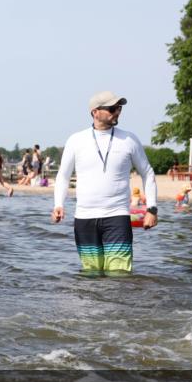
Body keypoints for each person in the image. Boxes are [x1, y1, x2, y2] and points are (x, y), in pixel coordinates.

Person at [52, 91, 158, 274]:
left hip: (117, 216)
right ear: (95, 112)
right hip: (85, 218)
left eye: (119, 108)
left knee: (119, 274)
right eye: (111, 108)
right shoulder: (76, 140)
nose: (117, 112)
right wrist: (58, 205)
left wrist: (152, 209)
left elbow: (147, 173)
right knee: (90, 274)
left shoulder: (129, 139)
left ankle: (117, 304)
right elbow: (63, 176)